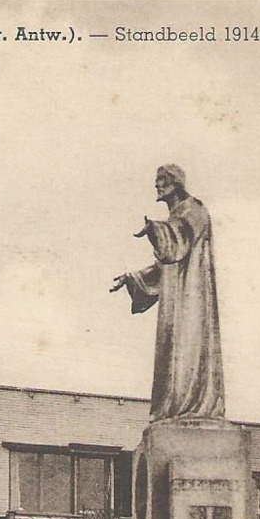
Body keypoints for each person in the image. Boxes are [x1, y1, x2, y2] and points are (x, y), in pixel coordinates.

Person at [110, 165, 225, 422]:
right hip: (175, 301)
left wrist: (154, 229)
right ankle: (174, 408)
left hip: (191, 301)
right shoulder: (178, 214)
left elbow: (176, 245)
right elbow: (166, 265)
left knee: (187, 350)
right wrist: (134, 277)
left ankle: (190, 407)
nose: (157, 186)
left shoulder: (193, 210)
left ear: (175, 184)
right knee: (170, 354)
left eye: (161, 181)